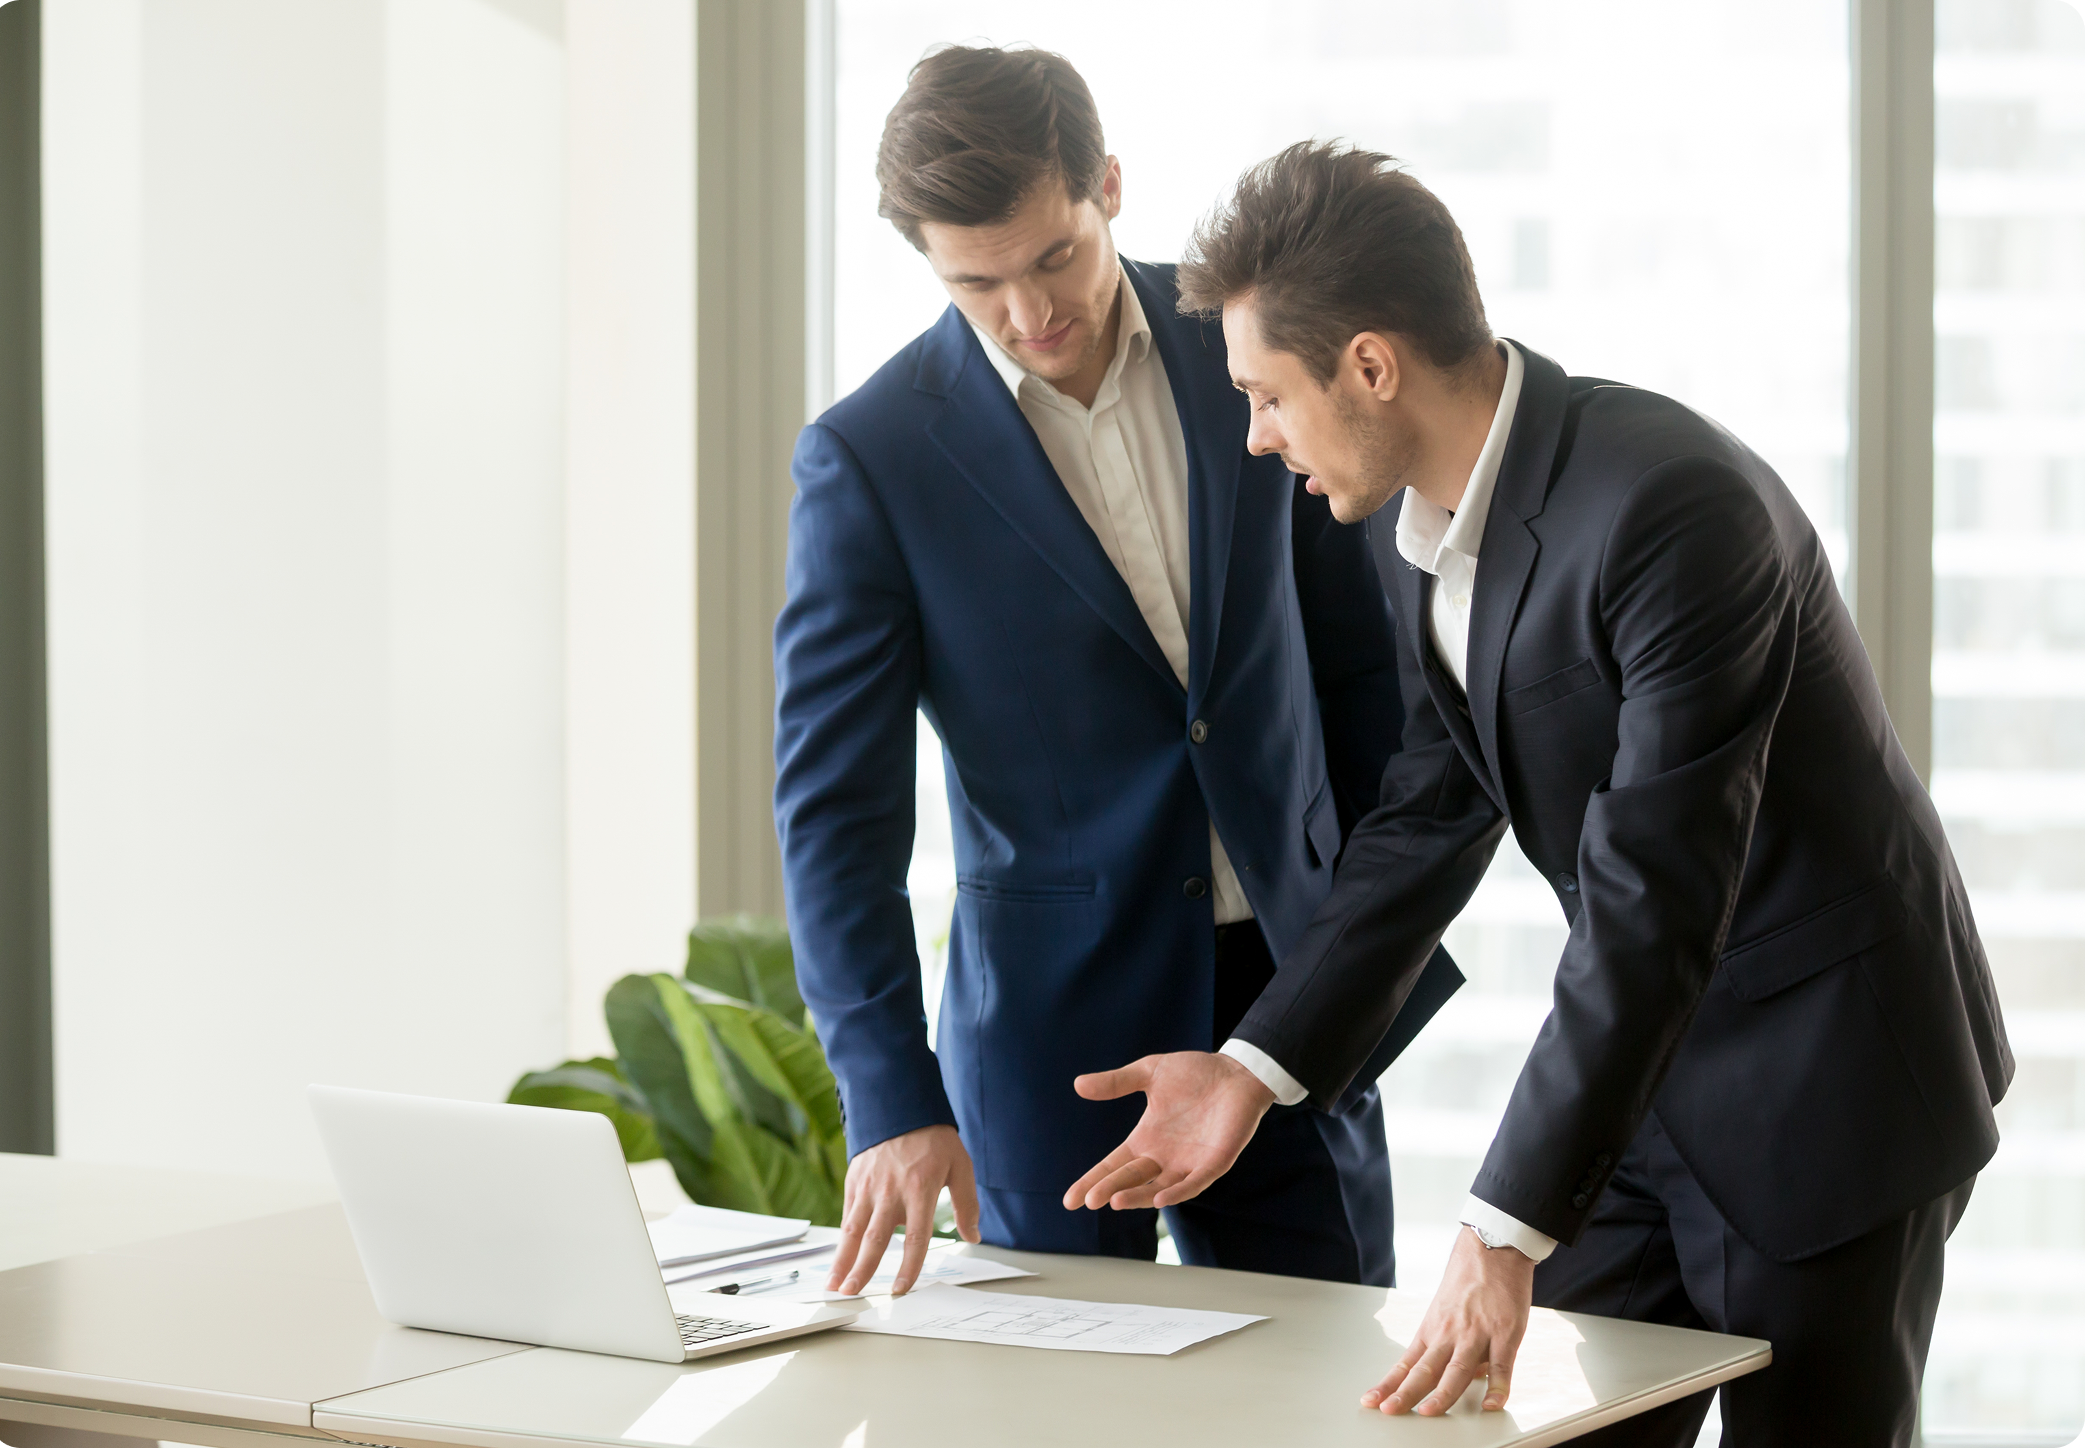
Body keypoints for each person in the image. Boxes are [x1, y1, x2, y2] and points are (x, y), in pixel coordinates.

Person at [1064, 142, 2013, 1447]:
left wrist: (1498, 1229)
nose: (1255, 436)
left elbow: (1653, 894)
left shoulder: (1675, 510)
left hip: (1826, 1090)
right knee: (1524, 1427)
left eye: (1268, 396)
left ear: (1371, 367)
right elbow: (1430, 812)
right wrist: (1257, 1065)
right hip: (1647, 1083)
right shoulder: (1412, 522)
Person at [773, 48, 1462, 1300]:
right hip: (1052, 1044)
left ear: (1108, 185)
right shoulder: (870, 463)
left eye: (1052, 257)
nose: (1028, 312)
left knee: (1318, 1395)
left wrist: (1353, 959)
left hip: (1287, 1007)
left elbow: (1366, 675)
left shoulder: (1241, 353)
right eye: (975, 282)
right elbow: (835, 817)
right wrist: (889, 1096)